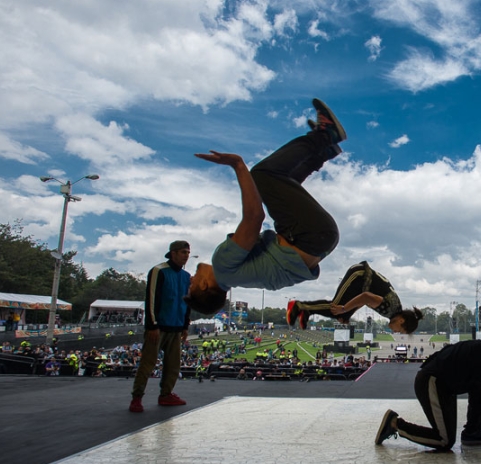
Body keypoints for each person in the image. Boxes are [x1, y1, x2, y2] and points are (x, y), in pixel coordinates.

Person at [186, 99, 346, 314]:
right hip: (308, 234)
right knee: (262, 175)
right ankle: (325, 134)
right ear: (204, 287)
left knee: (278, 187)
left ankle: (324, 152)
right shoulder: (222, 266)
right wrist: (238, 165)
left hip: (319, 241)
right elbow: (254, 218)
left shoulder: (242, 277)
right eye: (191, 285)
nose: (191, 279)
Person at [374, 337, 481, 456]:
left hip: (443, 386)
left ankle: (472, 432)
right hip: (432, 381)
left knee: (479, 385)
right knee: (444, 441)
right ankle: (395, 424)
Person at [129, 241, 192, 413]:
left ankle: (166, 394)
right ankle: (137, 397)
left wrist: (185, 325)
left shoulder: (186, 276)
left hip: (177, 327)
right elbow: (151, 299)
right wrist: (152, 325)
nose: (186, 255)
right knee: (148, 363)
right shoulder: (159, 271)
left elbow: (188, 302)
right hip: (159, 326)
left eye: (187, 252)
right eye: (182, 252)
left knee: (173, 365)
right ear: (172, 253)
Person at [286, 261, 423, 333]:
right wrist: (344, 309)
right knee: (336, 308)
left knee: (341, 315)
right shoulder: (389, 309)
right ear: (401, 321)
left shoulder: (393, 311)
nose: (396, 332)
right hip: (359, 275)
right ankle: (299, 306)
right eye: (401, 331)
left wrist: (347, 313)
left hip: (362, 283)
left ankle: (307, 311)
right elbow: (366, 296)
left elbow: (365, 301)